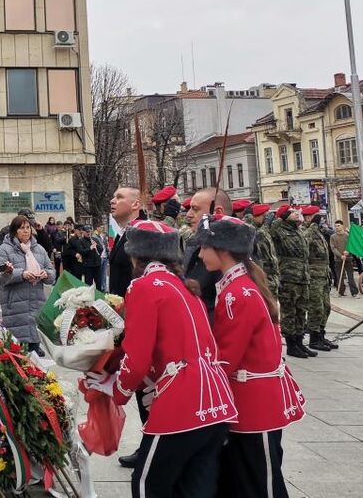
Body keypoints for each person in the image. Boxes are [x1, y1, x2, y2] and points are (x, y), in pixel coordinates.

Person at [86, 219, 237, 498]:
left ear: (135, 255)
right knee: (194, 488)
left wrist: (116, 388)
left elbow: (138, 354)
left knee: (147, 485)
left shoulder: (143, 287)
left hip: (181, 405)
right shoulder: (186, 287)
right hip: (217, 402)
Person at [195, 215, 305, 498]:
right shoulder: (235, 286)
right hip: (247, 397)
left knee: (263, 482)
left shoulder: (238, 293)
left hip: (254, 401)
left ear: (223, 250)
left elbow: (228, 355)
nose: (199, 253)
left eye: (204, 247)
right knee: (244, 479)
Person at [0, 215, 54, 354]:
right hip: (14, 308)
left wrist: (46, 274)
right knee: (17, 355)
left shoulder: (38, 249)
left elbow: (52, 273)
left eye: (28, 228)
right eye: (22, 228)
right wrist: (21, 274)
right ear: (14, 231)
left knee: (35, 359)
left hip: (36, 305)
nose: (26, 231)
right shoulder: (4, 250)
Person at [271, 207, 315, 359]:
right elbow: (271, 226)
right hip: (288, 276)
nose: (297, 213)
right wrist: (280, 216)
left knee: (301, 310)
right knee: (289, 311)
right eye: (292, 212)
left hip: (303, 276)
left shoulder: (298, 230)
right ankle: (291, 345)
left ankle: (299, 341)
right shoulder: (279, 229)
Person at [183, 186, 233, 317]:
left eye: (195, 209)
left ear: (217, 212)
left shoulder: (232, 253)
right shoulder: (195, 244)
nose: (188, 215)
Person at [300, 207, 337, 352]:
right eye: (316, 217)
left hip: (323, 274)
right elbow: (303, 243)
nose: (319, 220)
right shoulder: (304, 230)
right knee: (316, 307)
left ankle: (321, 335)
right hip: (313, 275)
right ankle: (314, 339)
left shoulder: (318, 231)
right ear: (308, 217)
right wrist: (313, 225)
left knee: (325, 307)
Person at [107, 187, 142, 297]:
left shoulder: (142, 233)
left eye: (119, 197)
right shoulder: (122, 232)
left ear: (135, 205)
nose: (112, 201)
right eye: (113, 197)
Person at [249, 203, 281, 298]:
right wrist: (266, 224)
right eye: (264, 216)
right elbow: (258, 238)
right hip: (263, 276)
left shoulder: (264, 229)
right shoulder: (251, 229)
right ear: (256, 217)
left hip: (272, 276)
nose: (266, 219)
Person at [329, 220, 358, 297]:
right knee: (339, 277)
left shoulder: (347, 236)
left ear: (342, 226)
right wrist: (340, 255)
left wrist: (348, 252)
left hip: (348, 259)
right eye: (335, 226)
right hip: (338, 259)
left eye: (338, 225)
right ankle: (340, 292)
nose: (337, 227)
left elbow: (351, 246)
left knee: (350, 277)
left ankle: (354, 292)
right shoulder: (333, 237)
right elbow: (333, 248)